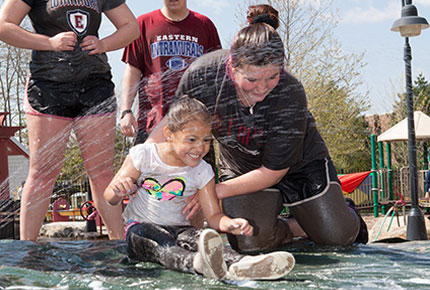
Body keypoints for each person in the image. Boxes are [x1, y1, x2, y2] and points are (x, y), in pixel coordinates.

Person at [148, 4, 368, 252]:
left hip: (300, 165)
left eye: (272, 77)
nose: (262, 88)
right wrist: (138, 164)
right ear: (232, 68)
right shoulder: (203, 75)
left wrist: (209, 191)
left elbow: (272, 172)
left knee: (335, 236)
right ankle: (294, 227)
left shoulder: (290, 92)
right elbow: (172, 124)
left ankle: (343, 213)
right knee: (249, 241)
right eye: (251, 79)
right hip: (242, 167)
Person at [104, 96, 295, 280]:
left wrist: (230, 223)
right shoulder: (144, 156)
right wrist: (118, 191)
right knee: (163, 246)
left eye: (206, 140)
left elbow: (213, 217)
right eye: (191, 139)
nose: (200, 148)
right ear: (169, 134)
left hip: (180, 229)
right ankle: (196, 263)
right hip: (140, 230)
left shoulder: (202, 171)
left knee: (203, 238)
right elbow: (109, 197)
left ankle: (244, 264)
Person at [0, 0, 139, 241]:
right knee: (43, 172)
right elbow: (4, 26)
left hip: (95, 86)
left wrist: (104, 43)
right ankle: (28, 249)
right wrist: (48, 43)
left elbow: (131, 27)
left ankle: (120, 245)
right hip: (48, 87)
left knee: (102, 173)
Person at [120, 0, 221, 144]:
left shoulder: (205, 24)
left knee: (200, 166)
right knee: (141, 165)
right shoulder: (144, 23)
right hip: (152, 124)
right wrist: (126, 111)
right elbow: (133, 70)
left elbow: (216, 73)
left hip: (195, 124)